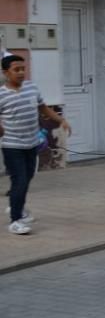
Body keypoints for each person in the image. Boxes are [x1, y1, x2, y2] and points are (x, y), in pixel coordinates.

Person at [0, 55, 71, 235]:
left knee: (28, 177)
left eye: (23, 69)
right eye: (17, 70)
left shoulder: (31, 88)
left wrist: (61, 120)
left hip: (32, 143)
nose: (21, 72)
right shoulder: (1, 94)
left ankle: (17, 206)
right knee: (20, 180)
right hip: (12, 145)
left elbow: (43, 108)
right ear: (5, 73)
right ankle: (16, 220)